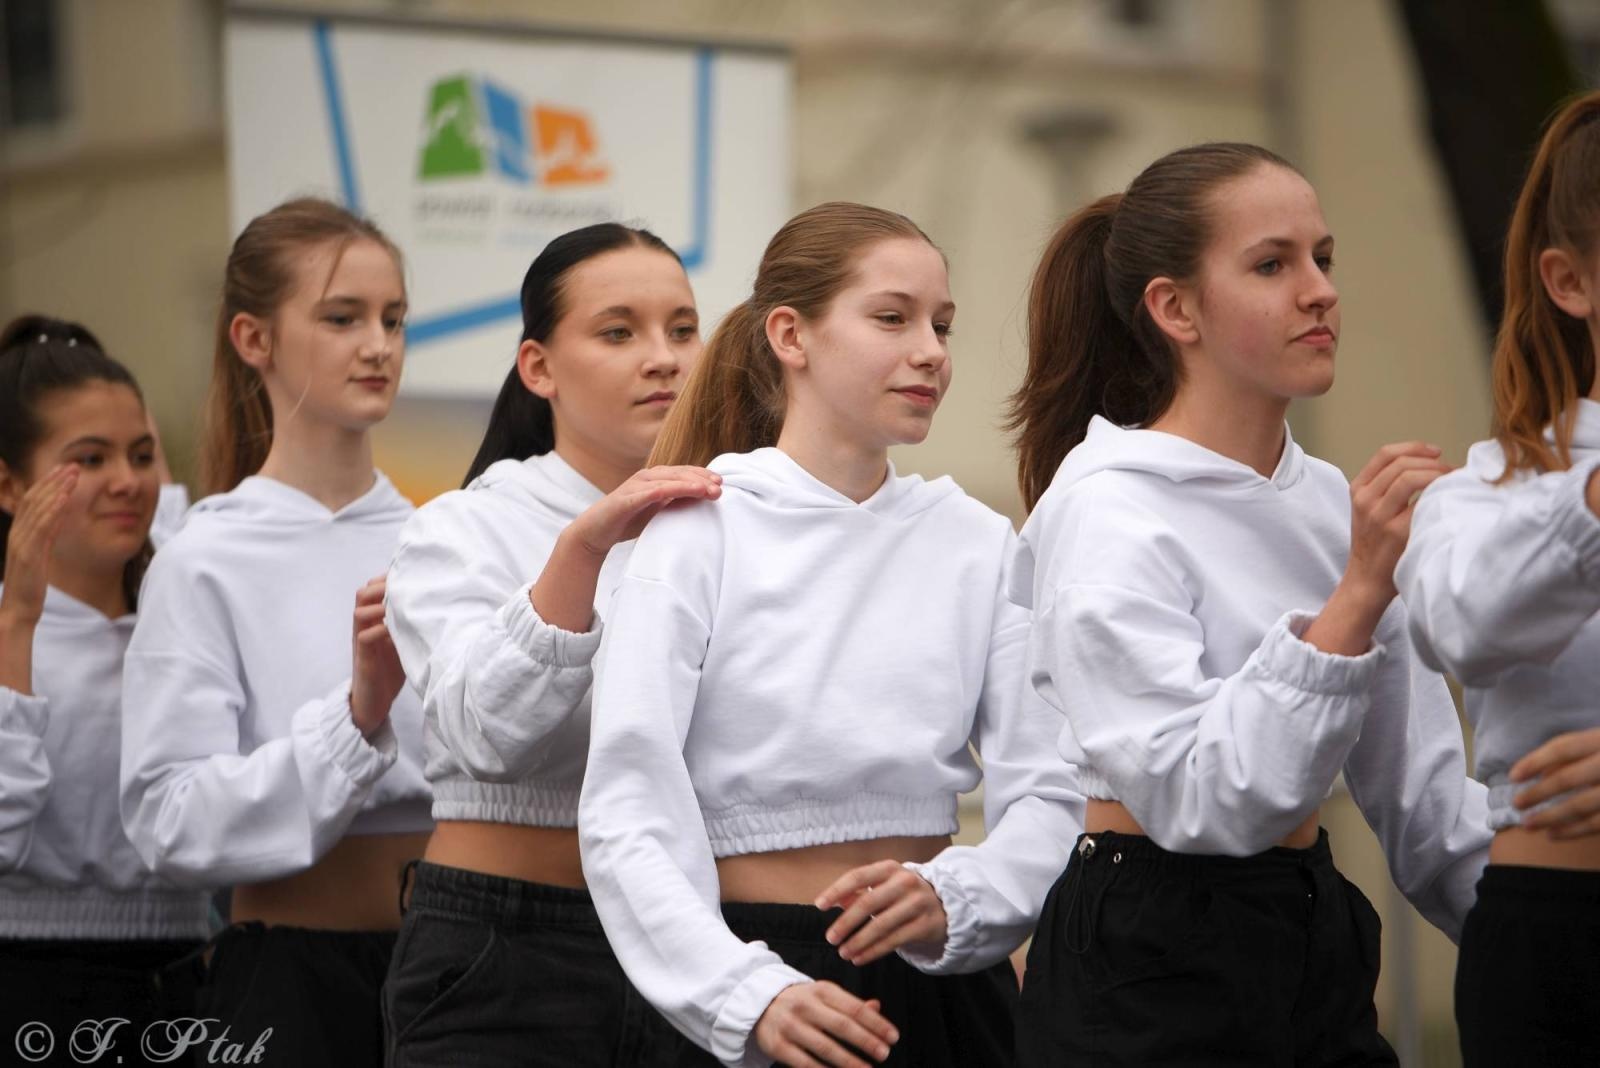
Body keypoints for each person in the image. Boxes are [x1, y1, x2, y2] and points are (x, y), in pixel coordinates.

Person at [1007, 143, 1491, 1066]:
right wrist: (1356, 595)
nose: (1319, 291)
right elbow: (1202, 800)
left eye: (1324, 258)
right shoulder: (1109, 505)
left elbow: (1422, 800)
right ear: (1174, 307)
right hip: (1146, 946)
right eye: (1273, 264)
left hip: (1309, 925)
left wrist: (1549, 936)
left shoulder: (1327, 502)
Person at [580, 202, 1083, 1068]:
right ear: (790, 334)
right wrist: (743, 993)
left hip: (944, 985)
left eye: (943, 324)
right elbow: (628, 807)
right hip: (746, 973)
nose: (930, 349)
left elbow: (1052, 791)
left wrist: (960, 896)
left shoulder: (976, 541)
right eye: (892, 317)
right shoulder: (701, 529)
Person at [381, 222, 718, 1066]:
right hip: (506, 939)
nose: (665, 357)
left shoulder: (729, 520)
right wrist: (582, 547)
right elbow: (477, 735)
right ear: (538, 367)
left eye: (683, 329)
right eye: (619, 331)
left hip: (697, 942)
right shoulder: (462, 528)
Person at [119, 198, 431, 1066]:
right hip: (291, 979)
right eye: (342, 318)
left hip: (456, 968)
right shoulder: (204, 559)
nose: (378, 344)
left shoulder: (445, 539)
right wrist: (355, 716)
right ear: (253, 339)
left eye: (393, 318)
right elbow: (167, 818)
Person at [1395, 89, 1600, 1066]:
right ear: (1568, 280)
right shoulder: (1481, 493)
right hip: (1554, 943)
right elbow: (1464, 627)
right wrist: (1588, 502)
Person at [0, 314, 207, 1066]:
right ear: (8, 483)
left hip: (191, 981)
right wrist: (18, 619)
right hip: (30, 988)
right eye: (90, 458)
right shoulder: (9, 623)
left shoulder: (183, 613)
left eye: (143, 454)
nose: (128, 480)